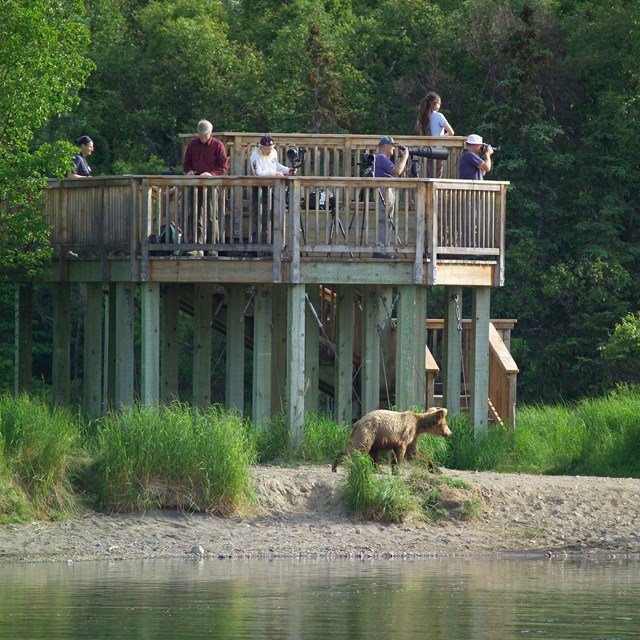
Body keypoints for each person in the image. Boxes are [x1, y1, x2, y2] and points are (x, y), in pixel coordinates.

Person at [182, 120, 229, 256]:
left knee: (211, 215)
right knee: (195, 214)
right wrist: (189, 171)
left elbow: (223, 167)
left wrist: (211, 174)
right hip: (195, 183)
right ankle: (197, 246)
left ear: (210, 133)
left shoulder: (217, 145)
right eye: (201, 135)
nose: (203, 138)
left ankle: (212, 246)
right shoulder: (192, 145)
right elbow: (186, 164)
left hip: (211, 184)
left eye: (205, 135)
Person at [249, 135, 296, 253]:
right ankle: (258, 249)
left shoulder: (273, 153)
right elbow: (258, 173)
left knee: (274, 220)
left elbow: (276, 165)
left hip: (273, 190)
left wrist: (287, 170)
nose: (269, 150)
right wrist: (274, 173)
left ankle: (273, 248)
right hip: (260, 190)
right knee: (261, 220)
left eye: (271, 148)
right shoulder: (255, 156)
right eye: (267, 148)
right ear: (261, 147)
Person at [373, 135, 409, 257]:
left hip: (387, 190)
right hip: (385, 190)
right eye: (392, 146)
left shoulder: (382, 159)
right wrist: (405, 158)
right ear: (385, 146)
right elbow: (397, 171)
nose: (394, 149)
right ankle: (381, 249)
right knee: (385, 219)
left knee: (388, 220)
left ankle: (384, 248)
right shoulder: (381, 157)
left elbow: (397, 172)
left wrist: (401, 161)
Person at [416, 92, 454, 178]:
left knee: (429, 175)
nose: (440, 105)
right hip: (438, 150)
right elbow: (451, 132)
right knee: (437, 177)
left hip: (426, 150)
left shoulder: (422, 116)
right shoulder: (439, 116)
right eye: (439, 103)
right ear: (435, 104)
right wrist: (440, 138)